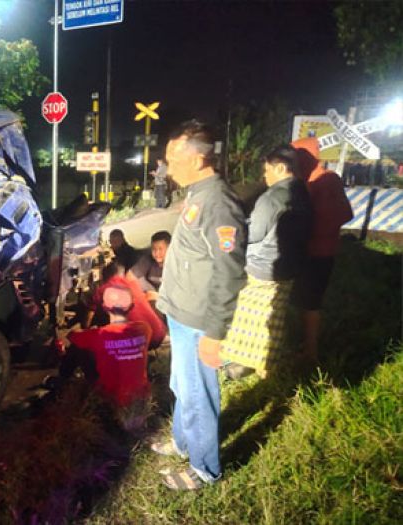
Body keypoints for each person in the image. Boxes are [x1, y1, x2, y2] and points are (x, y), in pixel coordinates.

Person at [152, 120, 247, 490]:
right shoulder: (197, 192)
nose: (167, 165)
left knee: (199, 392)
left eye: (174, 157)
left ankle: (205, 468)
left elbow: (229, 271)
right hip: (181, 313)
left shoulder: (219, 202)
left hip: (198, 320)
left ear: (198, 158)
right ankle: (183, 440)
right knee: (182, 384)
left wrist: (215, 332)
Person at [219, 145, 313, 377]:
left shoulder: (273, 197)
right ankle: (266, 364)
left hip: (262, 268)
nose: (265, 175)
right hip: (289, 268)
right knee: (272, 318)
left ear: (281, 168)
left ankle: (240, 364)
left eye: (267, 170)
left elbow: (254, 234)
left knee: (247, 319)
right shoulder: (303, 192)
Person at [291, 137, 353, 364]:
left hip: (317, 253)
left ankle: (310, 352)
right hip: (311, 251)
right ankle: (306, 344)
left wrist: (303, 231)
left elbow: (339, 215)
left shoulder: (324, 180)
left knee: (310, 302)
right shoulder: (309, 179)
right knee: (304, 301)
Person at [62, 283, 152, 408]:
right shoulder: (144, 329)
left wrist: (91, 331)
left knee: (78, 348)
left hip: (109, 396)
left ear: (104, 307)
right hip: (139, 396)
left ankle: (61, 382)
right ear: (132, 306)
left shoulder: (100, 334)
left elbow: (71, 336)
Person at [87, 262, 167, 350]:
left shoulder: (103, 289)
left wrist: (87, 329)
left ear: (104, 278)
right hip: (160, 334)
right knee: (148, 296)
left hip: (141, 343)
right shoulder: (133, 284)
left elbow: (90, 313)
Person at [128, 230, 172, 302]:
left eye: (160, 249)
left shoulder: (178, 263)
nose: (157, 253)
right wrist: (150, 290)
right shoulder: (148, 259)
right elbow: (129, 276)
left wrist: (159, 297)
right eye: (154, 249)